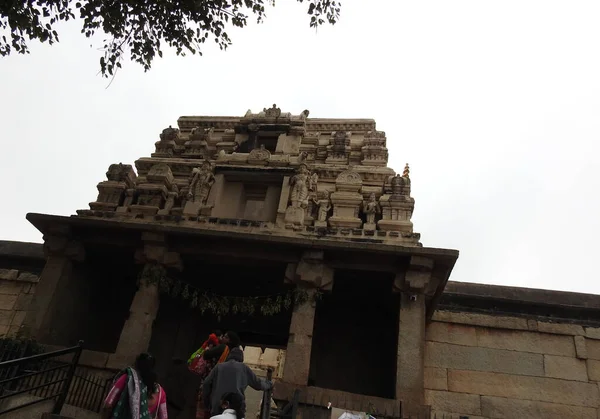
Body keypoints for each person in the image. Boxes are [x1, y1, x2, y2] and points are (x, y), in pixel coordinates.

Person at [203, 347, 272, 417]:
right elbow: (258, 384)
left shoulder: (219, 367)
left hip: (218, 405)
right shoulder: (244, 368)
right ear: (241, 359)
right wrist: (269, 384)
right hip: (236, 408)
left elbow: (206, 383)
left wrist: (207, 403)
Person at [101, 353, 168, 419]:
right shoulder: (160, 392)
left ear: (137, 365)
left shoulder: (127, 378)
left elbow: (107, 404)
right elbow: (164, 417)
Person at [193, 331, 240, 419]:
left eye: (225, 337)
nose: (222, 338)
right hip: (227, 387)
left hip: (213, 382)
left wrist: (207, 349)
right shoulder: (238, 354)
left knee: (206, 409)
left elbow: (207, 355)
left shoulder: (224, 348)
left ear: (229, 340)